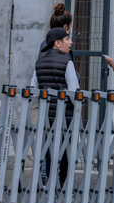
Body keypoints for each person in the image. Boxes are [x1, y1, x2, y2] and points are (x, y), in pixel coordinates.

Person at [31, 27, 79, 186]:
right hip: (65, 115)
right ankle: (64, 184)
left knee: (49, 150)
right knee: (66, 152)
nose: (70, 42)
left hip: (46, 116)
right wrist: (77, 109)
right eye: (67, 39)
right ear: (57, 43)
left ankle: (49, 185)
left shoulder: (39, 62)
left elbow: (34, 92)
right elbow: (73, 92)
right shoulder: (67, 62)